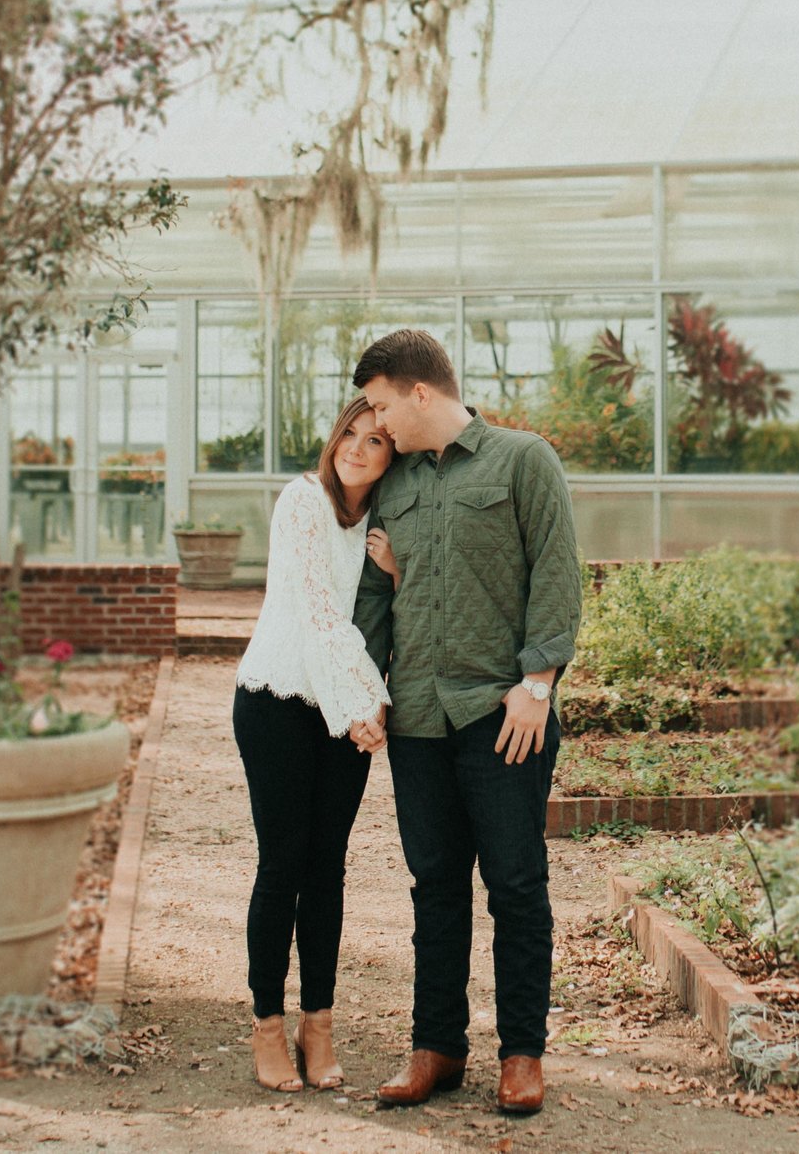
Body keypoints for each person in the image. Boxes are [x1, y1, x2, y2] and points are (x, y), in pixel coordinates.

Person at [349, 328, 582, 1118]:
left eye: (381, 404)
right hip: (417, 715)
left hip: (501, 713)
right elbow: (377, 598)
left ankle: (522, 1053)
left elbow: (556, 570)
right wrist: (367, 687)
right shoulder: (397, 482)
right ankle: (437, 1045)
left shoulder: (523, 460)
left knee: (517, 885)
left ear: (421, 392)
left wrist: (538, 683)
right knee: (435, 886)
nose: (375, 422)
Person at [232, 396, 395, 1093]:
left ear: (393, 457)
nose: (357, 448)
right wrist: (366, 704)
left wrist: (398, 571)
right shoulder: (301, 501)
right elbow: (319, 612)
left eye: (376, 440)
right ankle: (267, 1024)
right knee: (283, 865)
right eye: (350, 433)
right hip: (277, 700)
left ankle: (318, 1023)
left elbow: (385, 614)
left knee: (327, 868)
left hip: (346, 708)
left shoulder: (383, 525)